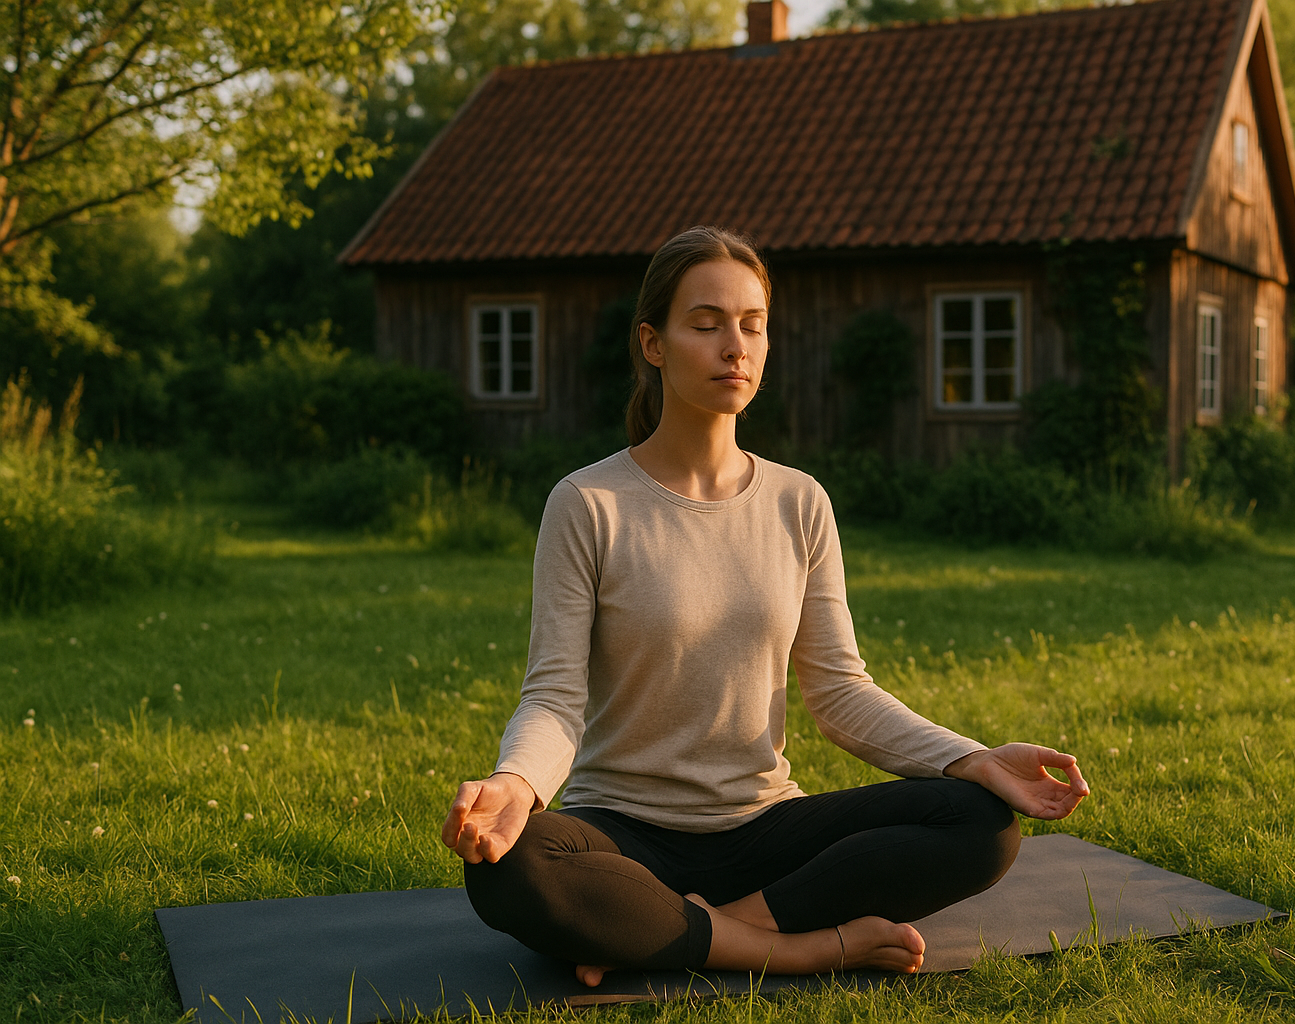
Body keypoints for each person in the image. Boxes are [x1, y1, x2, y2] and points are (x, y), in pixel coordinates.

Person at [441, 225, 1090, 987]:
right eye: (706, 323)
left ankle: (675, 927)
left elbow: (841, 693)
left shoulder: (799, 501)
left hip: (765, 828)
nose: (734, 347)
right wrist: (515, 788)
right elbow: (554, 699)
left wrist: (973, 758)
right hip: (623, 833)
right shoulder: (588, 503)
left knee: (981, 823)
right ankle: (801, 945)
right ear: (653, 343)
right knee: (510, 870)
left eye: (752, 325)